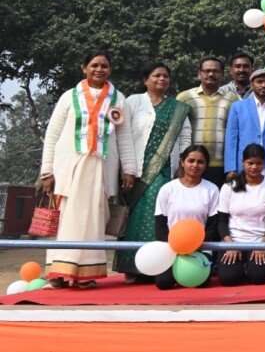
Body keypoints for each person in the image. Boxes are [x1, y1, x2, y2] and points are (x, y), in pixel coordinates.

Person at [39, 50, 136, 288]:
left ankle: (86, 274)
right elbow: (52, 134)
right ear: (84, 68)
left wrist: (129, 169)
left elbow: (124, 137)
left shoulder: (118, 99)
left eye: (104, 66)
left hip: (101, 167)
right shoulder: (69, 96)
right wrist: (47, 171)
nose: (99, 69)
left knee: (95, 219)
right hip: (69, 168)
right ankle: (58, 274)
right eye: (94, 65)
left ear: (110, 70)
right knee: (66, 220)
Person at [113, 63, 193, 280]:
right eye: (156, 75)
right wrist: (127, 168)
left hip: (165, 171)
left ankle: (158, 267)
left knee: (159, 217)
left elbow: (185, 137)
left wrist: (182, 166)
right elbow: (124, 135)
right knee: (134, 219)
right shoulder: (133, 102)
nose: (161, 79)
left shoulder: (178, 108)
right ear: (145, 79)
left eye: (165, 76)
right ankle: (132, 267)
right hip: (135, 170)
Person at [153, 145, 220, 289]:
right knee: (163, 283)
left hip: (200, 247)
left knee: (201, 283)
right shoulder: (167, 189)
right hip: (171, 247)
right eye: (191, 161)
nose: (195, 165)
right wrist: (175, 247)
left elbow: (213, 225)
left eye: (200, 162)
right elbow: (160, 223)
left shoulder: (212, 190)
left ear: (206, 165)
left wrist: (196, 246)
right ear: (182, 162)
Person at [216, 144, 265, 286]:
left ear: (264, 163)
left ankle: (251, 266)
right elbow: (221, 221)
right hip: (234, 240)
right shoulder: (229, 186)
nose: (254, 167)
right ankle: (240, 266)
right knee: (228, 279)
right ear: (243, 162)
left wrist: (263, 245)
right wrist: (230, 245)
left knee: (259, 278)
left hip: (260, 240)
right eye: (250, 163)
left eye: (259, 163)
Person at [176, 57, 239, 188]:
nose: (211, 74)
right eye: (207, 71)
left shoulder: (233, 99)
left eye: (215, 71)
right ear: (199, 74)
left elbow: (237, 133)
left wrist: (232, 166)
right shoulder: (184, 98)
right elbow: (176, 133)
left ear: (222, 74)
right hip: (192, 164)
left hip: (221, 165)